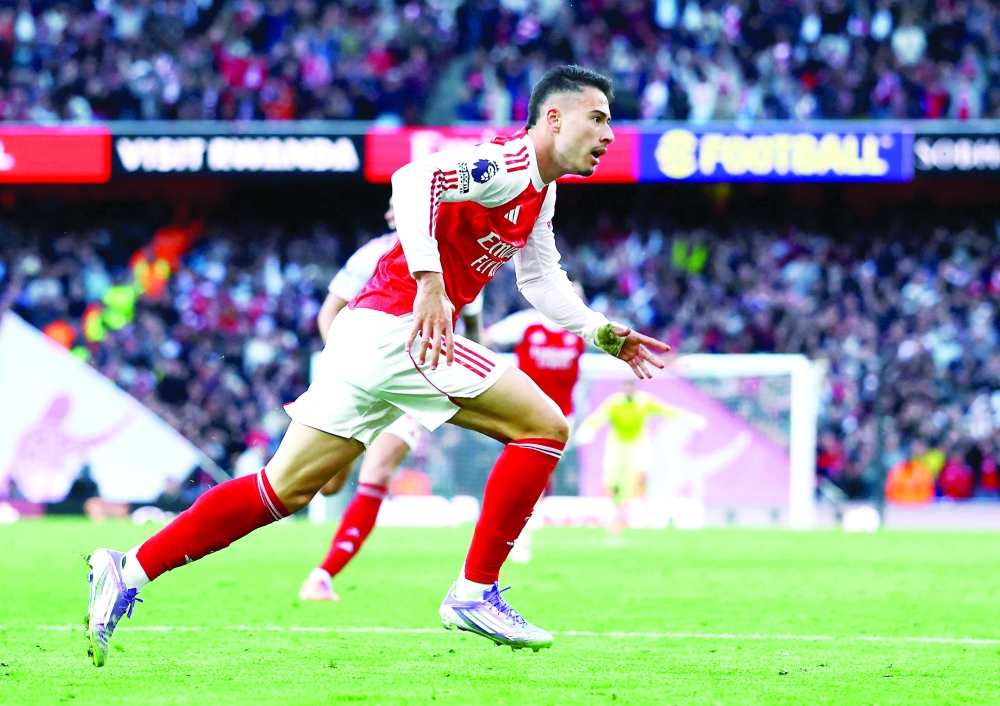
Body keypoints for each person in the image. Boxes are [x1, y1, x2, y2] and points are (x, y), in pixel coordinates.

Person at [86, 64, 670, 666]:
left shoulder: (539, 193)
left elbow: (541, 280)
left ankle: (127, 569)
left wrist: (602, 333)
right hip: (399, 330)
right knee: (544, 426)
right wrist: (429, 280)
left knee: (280, 489)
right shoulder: (510, 166)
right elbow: (413, 178)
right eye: (597, 118)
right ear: (553, 118)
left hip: (366, 336)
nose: (608, 135)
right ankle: (474, 592)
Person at [300, 201, 483, 602]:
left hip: (411, 383)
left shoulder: (460, 255)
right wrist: (344, 363)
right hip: (360, 369)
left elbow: (473, 331)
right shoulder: (373, 254)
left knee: (378, 471)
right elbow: (328, 313)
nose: (391, 215)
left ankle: (322, 575)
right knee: (328, 486)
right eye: (390, 209)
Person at [485, 301, 586, 563]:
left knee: (538, 474)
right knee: (528, 471)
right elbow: (488, 337)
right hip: (526, 413)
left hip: (563, 416)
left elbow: (614, 342)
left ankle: (519, 526)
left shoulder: (580, 325)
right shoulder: (526, 322)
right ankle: (518, 531)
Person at [575, 380, 705, 534]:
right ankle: (617, 514)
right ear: (623, 389)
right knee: (612, 482)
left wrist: (688, 418)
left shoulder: (645, 401)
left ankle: (642, 513)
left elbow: (666, 410)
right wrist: (587, 429)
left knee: (638, 477)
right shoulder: (614, 403)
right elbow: (598, 417)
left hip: (638, 444)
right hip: (617, 446)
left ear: (635, 389)